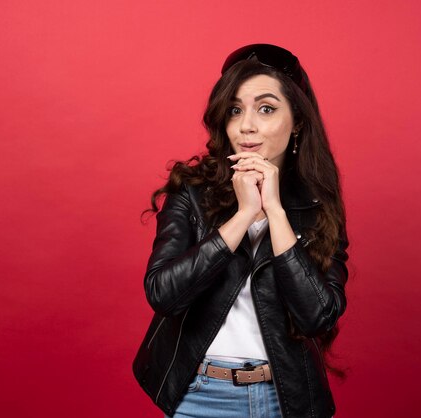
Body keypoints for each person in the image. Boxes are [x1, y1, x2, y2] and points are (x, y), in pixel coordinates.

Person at [133, 44, 349, 418]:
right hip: (197, 395)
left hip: (284, 399)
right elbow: (163, 294)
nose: (247, 125)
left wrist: (275, 212)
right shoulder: (192, 190)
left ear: (297, 120)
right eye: (235, 110)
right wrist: (244, 215)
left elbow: (318, 316)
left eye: (266, 108)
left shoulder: (317, 205)